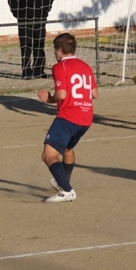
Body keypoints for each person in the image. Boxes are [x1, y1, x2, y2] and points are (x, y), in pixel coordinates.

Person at [37, 33, 98, 203]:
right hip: (86, 119)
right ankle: (63, 180)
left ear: (60, 49)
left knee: (48, 156)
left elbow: (61, 94)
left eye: (55, 51)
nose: (55, 55)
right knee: (67, 150)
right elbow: (94, 94)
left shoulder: (59, 67)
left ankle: (67, 190)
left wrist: (48, 99)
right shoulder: (86, 66)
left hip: (68, 117)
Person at [8, 0, 54, 79]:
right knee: (25, 46)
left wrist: (45, 12)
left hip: (39, 20)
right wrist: (19, 15)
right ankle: (26, 71)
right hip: (24, 22)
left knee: (39, 45)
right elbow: (12, 1)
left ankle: (39, 70)